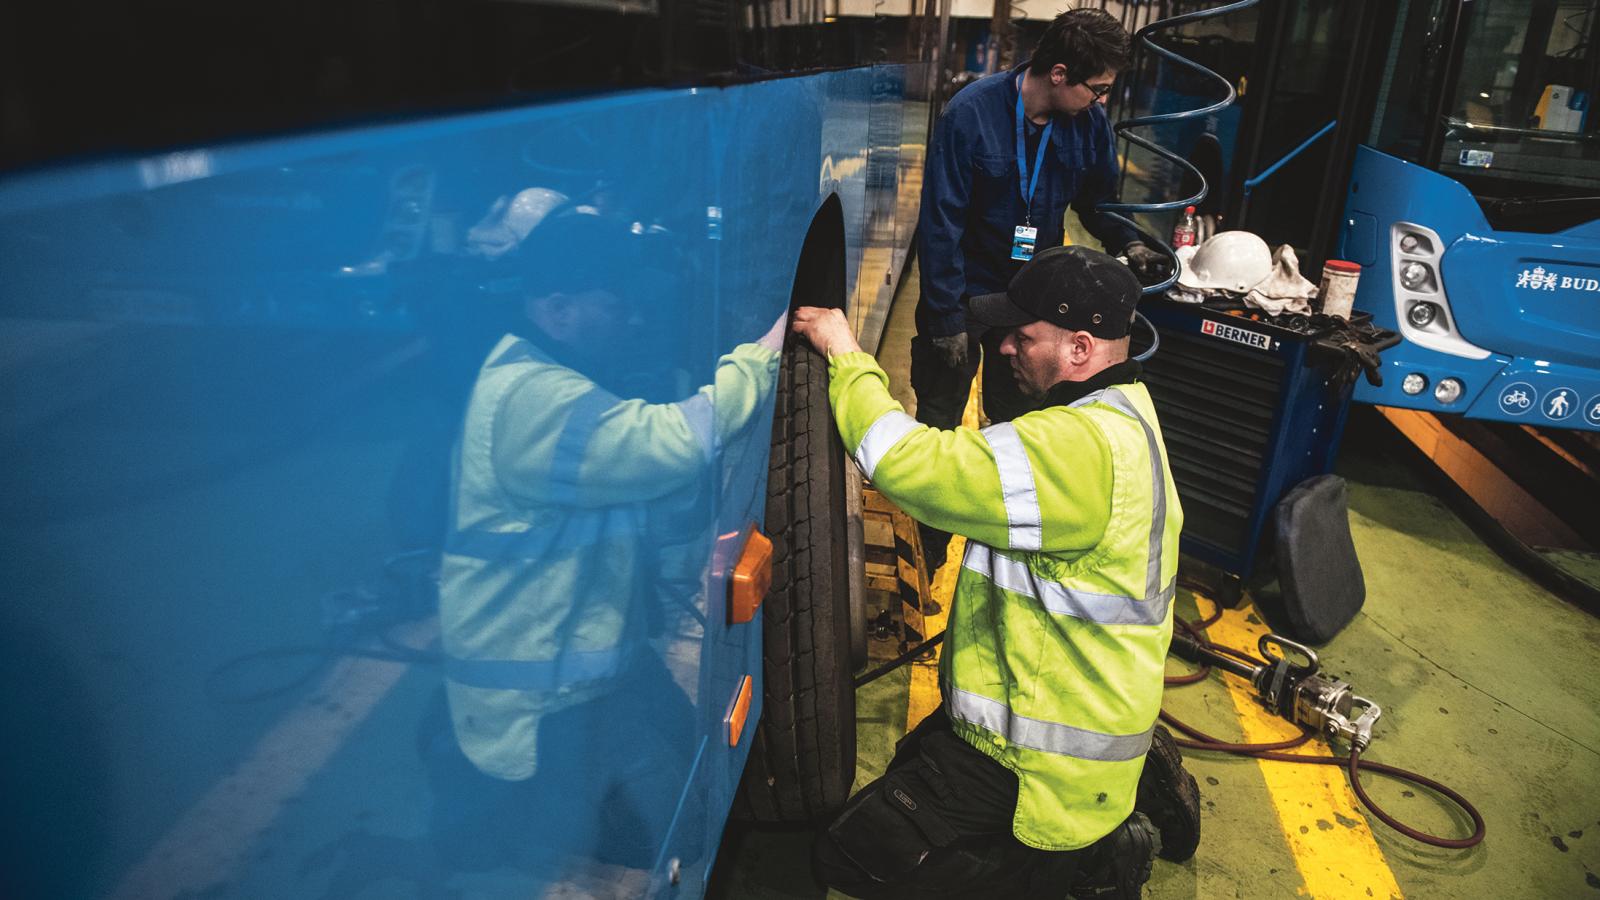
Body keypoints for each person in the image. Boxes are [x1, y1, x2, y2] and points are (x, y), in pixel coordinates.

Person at [793, 245, 1198, 899]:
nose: (1006, 348)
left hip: (1042, 767)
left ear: (1080, 349)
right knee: (910, 767)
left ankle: (1086, 865)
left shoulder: (1073, 450)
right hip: (1058, 725)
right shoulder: (1126, 417)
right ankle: (1101, 826)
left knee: (848, 858)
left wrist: (845, 354)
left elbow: (910, 465)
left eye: (1024, 335)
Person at [429, 209, 785, 891]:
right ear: (558, 309)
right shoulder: (537, 400)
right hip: (544, 708)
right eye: (618, 303)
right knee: (689, 822)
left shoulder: (532, 367)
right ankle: (523, 825)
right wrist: (760, 353)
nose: (637, 320)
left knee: (708, 767)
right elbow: (674, 443)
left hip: (592, 670)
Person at [913, 8, 1164, 571]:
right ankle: (924, 561)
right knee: (938, 422)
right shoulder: (970, 116)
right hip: (965, 295)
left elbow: (1097, 202)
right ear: (1057, 73)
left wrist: (1130, 240)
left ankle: (999, 555)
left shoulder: (1088, 124)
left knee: (1021, 425)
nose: (1102, 101)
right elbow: (940, 225)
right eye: (1095, 89)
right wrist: (945, 320)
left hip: (1034, 299)